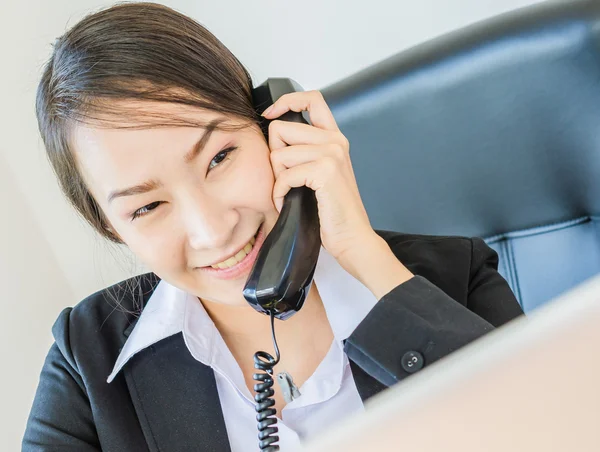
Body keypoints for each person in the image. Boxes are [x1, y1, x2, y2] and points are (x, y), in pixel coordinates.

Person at [23, 2, 524, 451]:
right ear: (112, 228)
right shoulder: (86, 361)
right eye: (148, 207)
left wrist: (362, 253)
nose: (212, 231)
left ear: (272, 127)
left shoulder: (457, 279)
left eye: (219, 157)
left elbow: (552, 427)